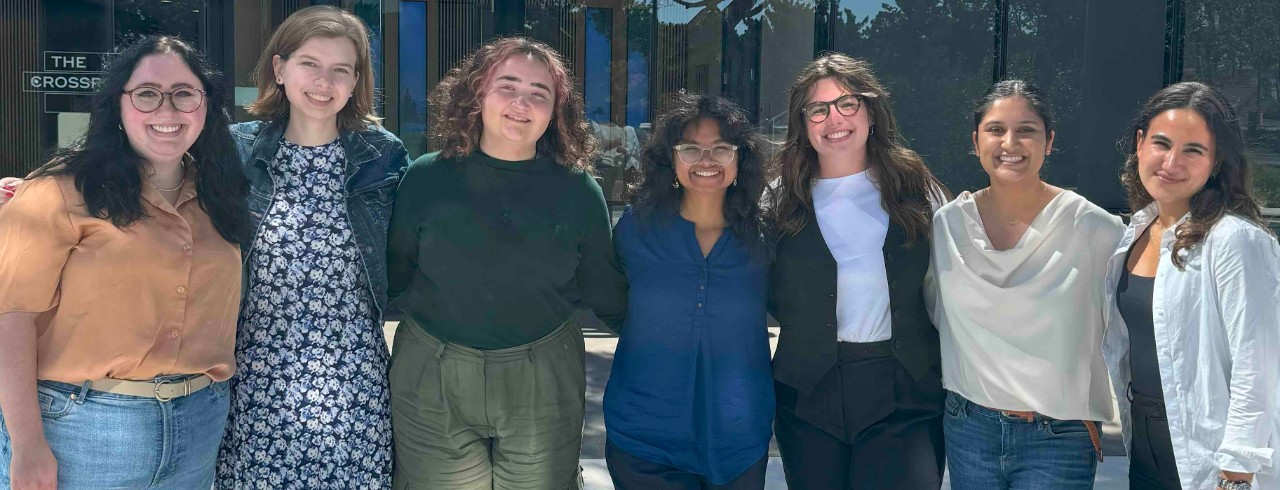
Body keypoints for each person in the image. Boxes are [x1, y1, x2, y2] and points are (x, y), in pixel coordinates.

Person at [0, 36, 248, 489]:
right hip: (82, 430)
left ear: (207, 105)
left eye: (184, 93)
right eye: (147, 94)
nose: (167, 110)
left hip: (199, 424)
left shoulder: (221, 195)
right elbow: (11, 320)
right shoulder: (57, 192)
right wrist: (27, 443)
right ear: (118, 104)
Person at [386, 36, 627, 489]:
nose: (522, 102)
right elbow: (395, 274)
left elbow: (606, 293)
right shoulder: (425, 178)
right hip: (432, 374)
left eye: (540, 93)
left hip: (543, 375)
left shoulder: (579, 192)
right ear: (477, 92)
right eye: (508, 86)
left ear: (556, 110)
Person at [215, 6, 408, 488]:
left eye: (340, 69)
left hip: (354, 381)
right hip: (257, 379)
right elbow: (152, 183)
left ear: (356, 80)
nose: (324, 81)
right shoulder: (234, 151)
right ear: (279, 69)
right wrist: (33, 189)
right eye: (309, 64)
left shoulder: (382, 156)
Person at [766, 53, 949, 489]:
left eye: (847, 103)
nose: (835, 119)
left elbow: (948, 291)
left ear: (871, 111)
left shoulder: (917, 189)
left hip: (904, 392)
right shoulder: (778, 198)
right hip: (808, 396)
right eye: (818, 109)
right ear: (803, 123)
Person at [927, 79, 1119, 489]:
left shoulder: (1093, 228)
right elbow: (932, 311)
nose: (1009, 142)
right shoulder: (947, 225)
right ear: (975, 140)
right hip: (969, 428)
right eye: (995, 129)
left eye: (1026, 130)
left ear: (1049, 142)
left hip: (1059, 436)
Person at [1103, 81, 1279, 490]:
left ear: (1216, 162)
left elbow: (1258, 364)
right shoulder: (1135, 232)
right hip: (1145, 444)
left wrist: (1237, 468)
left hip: (1212, 453)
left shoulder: (1234, 239)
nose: (1171, 162)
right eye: (1162, 144)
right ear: (1140, 143)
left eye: (1193, 150)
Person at [604, 92, 772, 490]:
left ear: (740, 158)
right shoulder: (635, 229)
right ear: (671, 159)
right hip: (644, 439)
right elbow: (609, 299)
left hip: (738, 440)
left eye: (721, 148)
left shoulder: (766, 238)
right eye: (691, 149)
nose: (706, 160)